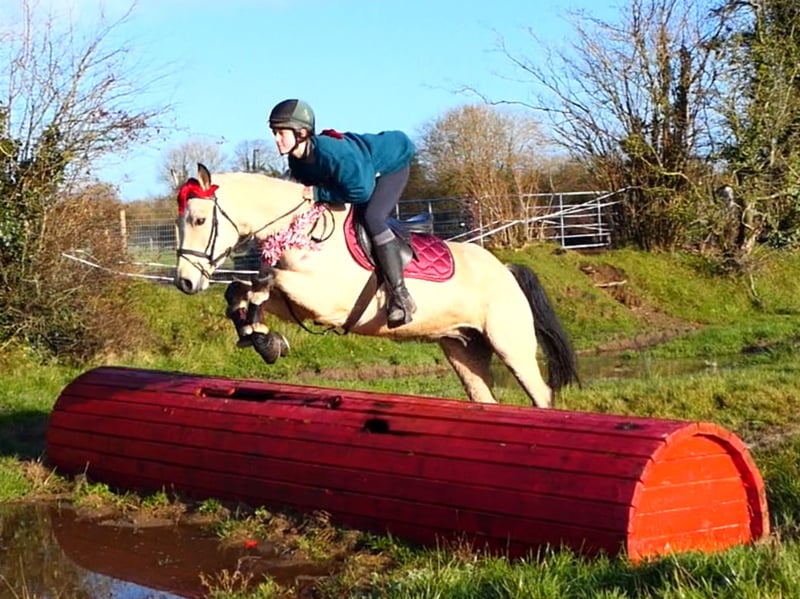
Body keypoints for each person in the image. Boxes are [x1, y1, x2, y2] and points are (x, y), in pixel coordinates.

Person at [268, 98, 417, 328]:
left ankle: (401, 297)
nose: (276, 139)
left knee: (373, 217)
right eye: (274, 132)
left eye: (281, 132)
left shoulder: (331, 152)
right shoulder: (296, 161)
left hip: (391, 164)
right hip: (361, 173)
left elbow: (360, 191)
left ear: (301, 133)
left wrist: (319, 193)